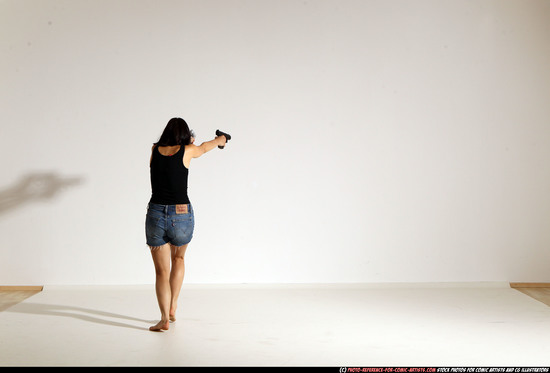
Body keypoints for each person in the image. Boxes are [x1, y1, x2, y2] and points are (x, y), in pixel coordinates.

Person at [145, 117, 227, 331]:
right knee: (179, 258)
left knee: (161, 271)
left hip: (155, 212)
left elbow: (164, 160)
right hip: (181, 213)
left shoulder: (154, 149)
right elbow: (205, 147)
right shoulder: (188, 150)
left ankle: (163, 319)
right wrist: (221, 138)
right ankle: (173, 307)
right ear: (184, 135)